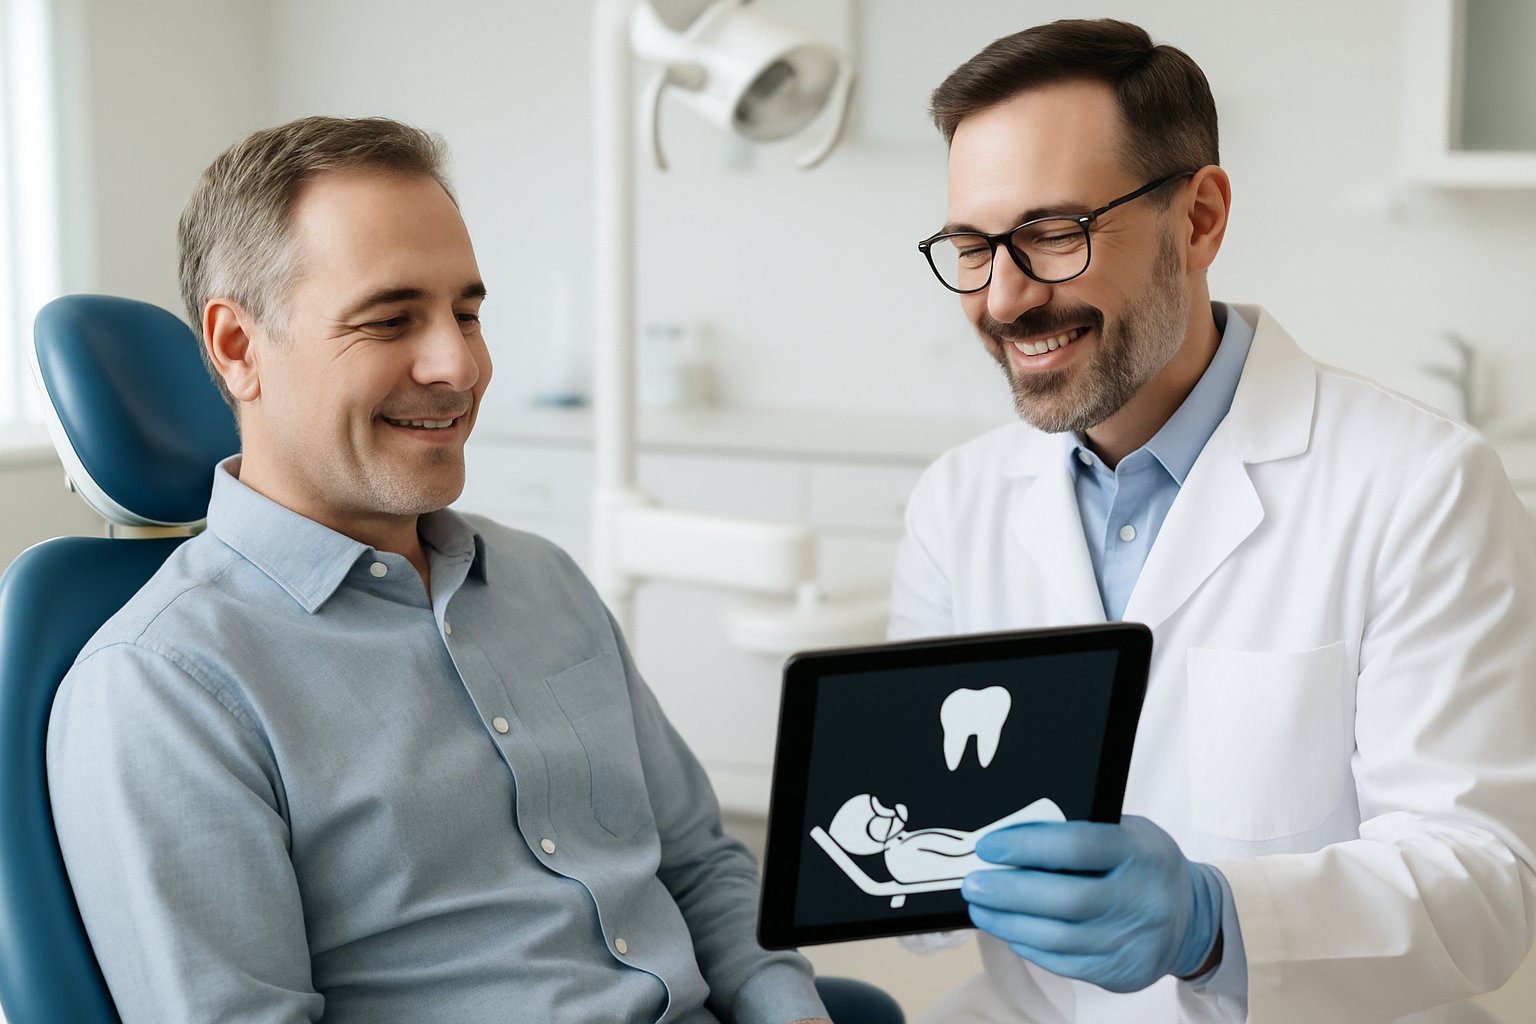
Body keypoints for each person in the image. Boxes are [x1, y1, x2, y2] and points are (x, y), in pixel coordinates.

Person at [47, 116, 831, 1024]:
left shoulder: (542, 581)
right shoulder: (164, 688)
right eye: (390, 319)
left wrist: (792, 1009)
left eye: (467, 312)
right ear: (236, 346)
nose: (459, 365)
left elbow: (699, 863)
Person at [891, 18, 1536, 1024]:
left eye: (1053, 233)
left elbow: (1484, 886)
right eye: (972, 247)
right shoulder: (957, 500)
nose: (1005, 296)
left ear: (1199, 220)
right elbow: (925, 884)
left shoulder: (1420, 486)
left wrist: (1215, 918)